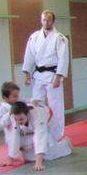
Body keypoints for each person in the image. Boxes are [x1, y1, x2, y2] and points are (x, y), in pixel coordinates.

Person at [21, 10, 69, 140]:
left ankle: (57, 134)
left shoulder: (60, 38)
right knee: (36, 105)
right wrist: (27, 73)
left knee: (55, 106)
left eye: (48, 20)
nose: (45, 22)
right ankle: (38, 132)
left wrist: (59, 77)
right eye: (43, 20)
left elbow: (63, 59)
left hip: (53, 76)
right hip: (38, 76)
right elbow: (29, 56)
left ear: (53, 21)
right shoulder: (34, 37)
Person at [8, 100, 74, 168]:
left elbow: (40, 137)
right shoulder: (14, 116)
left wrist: (38, 163)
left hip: (50, 127)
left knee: (46, 153)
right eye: (16, 119)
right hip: (32, 131)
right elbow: (14, 137)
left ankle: (65, 146)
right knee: (27, 157)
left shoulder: (38, 115)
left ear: (27, 113)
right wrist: (10, 159)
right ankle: (50, 149)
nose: (18, 121)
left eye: (21, 119)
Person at [0, 82, 21, 165]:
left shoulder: (17, 104)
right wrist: (9, 113)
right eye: (14, 96)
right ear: (5, 97)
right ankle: (11, 157)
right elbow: (2, 122)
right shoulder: (3, 108)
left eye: (17, 95)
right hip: (11, 134)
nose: (17, 98)